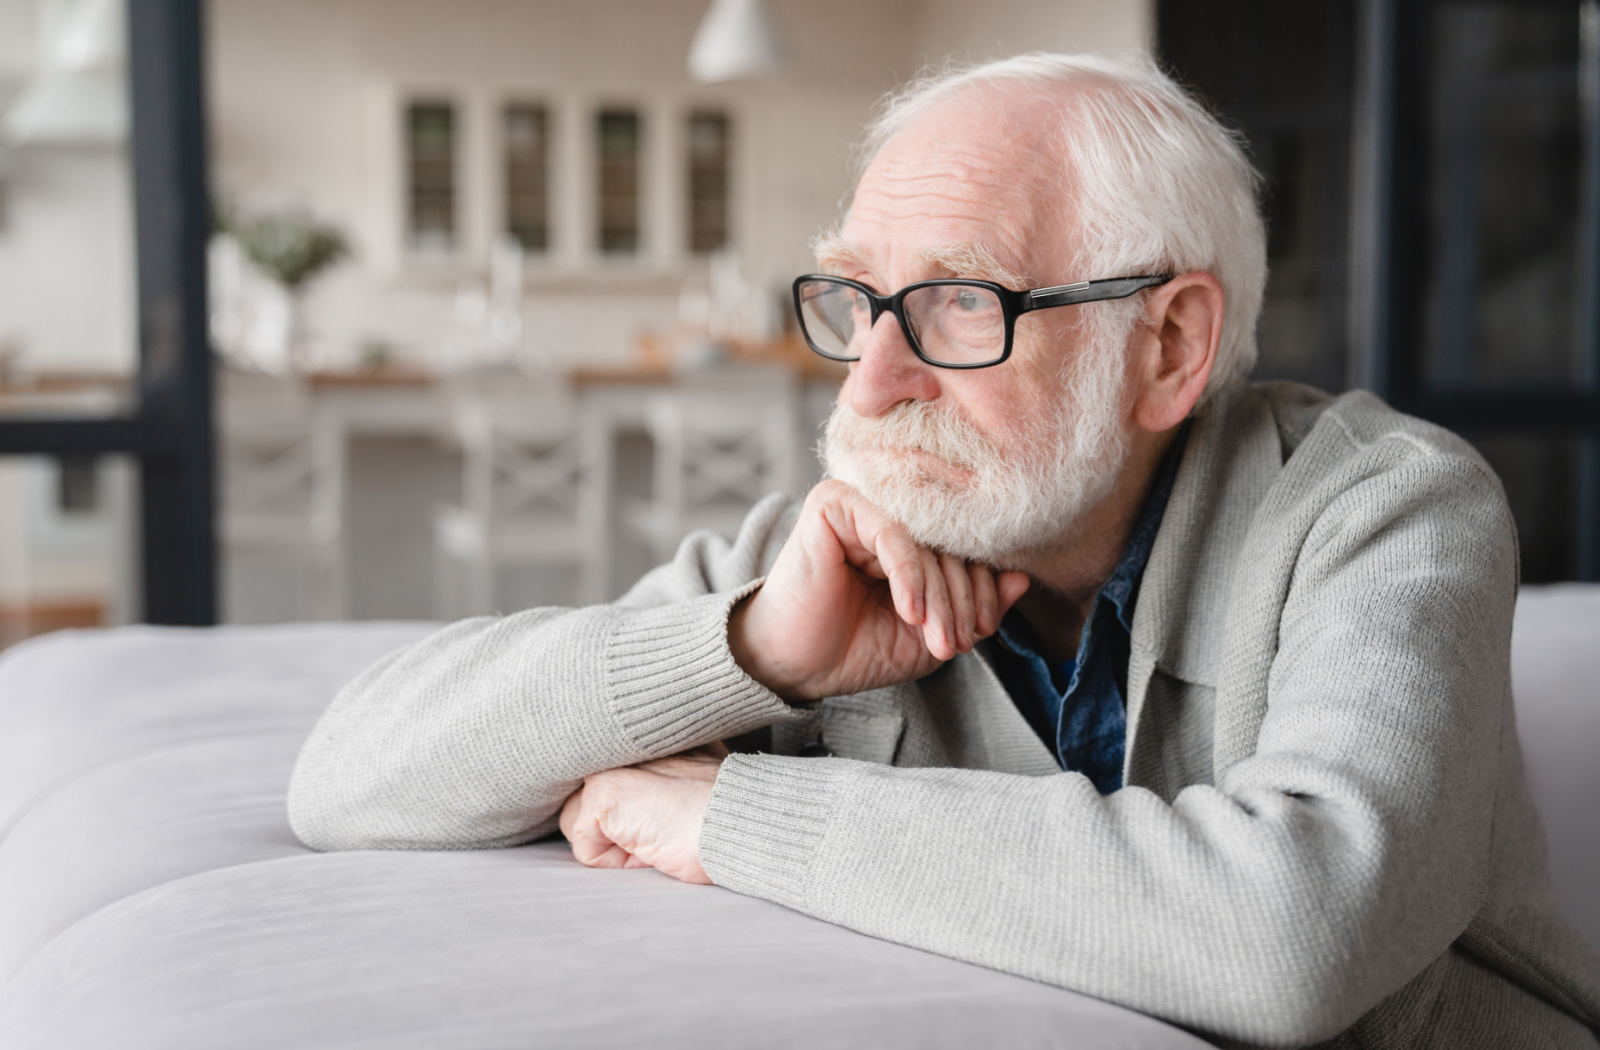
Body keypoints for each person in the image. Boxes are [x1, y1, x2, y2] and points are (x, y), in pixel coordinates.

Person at [288, 53, 1600, 1047]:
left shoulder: (1392, 511)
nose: (868, 388)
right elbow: (346, 778)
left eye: (960, 302)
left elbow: (1294, 934)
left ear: (1168, 348)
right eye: (858, 301)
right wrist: (748, 648)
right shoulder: (861, 540)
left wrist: (731, 814)